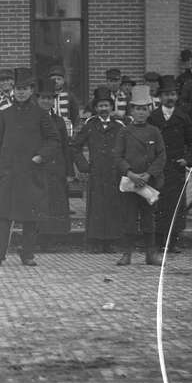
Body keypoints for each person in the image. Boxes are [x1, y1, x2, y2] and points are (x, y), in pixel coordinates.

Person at [0, 71, 59, 268]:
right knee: (2, 215)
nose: (21, 93)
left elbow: (53, 140)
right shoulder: (5, 113)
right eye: (18, 89)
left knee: (30, 216)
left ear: (31, 91)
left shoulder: (41, 114)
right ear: (13, 90)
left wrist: (40, 156)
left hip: (31, 172)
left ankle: (27, 254)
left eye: (25, 89)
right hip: (7, 173)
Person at [114, 85, 167, 266]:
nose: (141, 113)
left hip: (148, 183)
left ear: (149, 111)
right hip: (130, 182)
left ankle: (150, 255)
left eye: (144, 109)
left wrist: (149, 174)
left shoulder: (154, 131)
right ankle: (126, 253)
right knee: (129, 218)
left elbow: (161, 155)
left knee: (148, 219)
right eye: (137, 109)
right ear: (131, 110)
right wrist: (130, 173)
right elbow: (117, 156)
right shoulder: (124, 131)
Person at [72, 86, 125, 253]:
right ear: (95, 108)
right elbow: (74, 146)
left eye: (107, 105)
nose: (103, 109)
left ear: (111, 107)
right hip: (96, 172)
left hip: (114, 172)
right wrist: (84, 166)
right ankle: (94, 241)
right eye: (100, 106)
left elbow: (126, 147)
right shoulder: (90, 125)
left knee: (112, 206)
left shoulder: (119, 126)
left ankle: (110, 241)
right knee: (96, 207)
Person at [148, 75, 192, 253]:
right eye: (167, 94)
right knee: (158, 203)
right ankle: (159, 240)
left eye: (173, 94)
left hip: (176, 167)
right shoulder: (153, 118)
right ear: (160, 97)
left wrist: (188, 159)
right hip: (159, 168)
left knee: (176, 204)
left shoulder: (183, 117)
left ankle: (173, 241)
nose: (170, 98)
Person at [35, 77, 73, 252]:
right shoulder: (32, 119)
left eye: (49, 98)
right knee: (40, 203)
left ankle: (54, 239)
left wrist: (69, 171)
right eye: (43, 98)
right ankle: (39, 239)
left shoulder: (58, 121)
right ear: (38, 99)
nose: (46, 101)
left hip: (56, 168)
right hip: (37, 167)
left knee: (56, 203)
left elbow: (65, 146)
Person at [46, 64, 79, 137]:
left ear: (63, 81)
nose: (56, 81)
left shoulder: (70, 96)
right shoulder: (45, 96)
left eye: (59, 79)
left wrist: (73, 128)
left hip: (65, 129)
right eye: (53, 79)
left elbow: (75, 113)